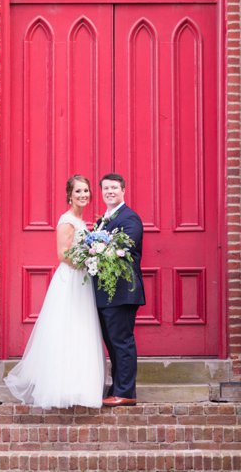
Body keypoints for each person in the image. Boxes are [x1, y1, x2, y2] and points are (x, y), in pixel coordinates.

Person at [4, 174, 105, 408]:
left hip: (81, 280)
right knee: (67, 328)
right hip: (70, 279)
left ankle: (80, 386)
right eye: (78, 191)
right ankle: (62, 388)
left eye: (86, 191)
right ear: (69, 195)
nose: (83, 195)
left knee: (81, 328)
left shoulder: (83, 222)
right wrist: (89, 260)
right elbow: (63, 254)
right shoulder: (67, 220)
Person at [94, 172, 145, 407]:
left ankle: (126, 392)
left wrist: (98, 248)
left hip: (122, 291)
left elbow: (125, 247)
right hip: (105, 292)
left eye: (114, 188)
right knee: (112, 342)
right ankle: (116, 387)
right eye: (106, 188)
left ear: (123, 190)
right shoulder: (101, 221)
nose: (110, 192)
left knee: (122, 341)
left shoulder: (130, 218)